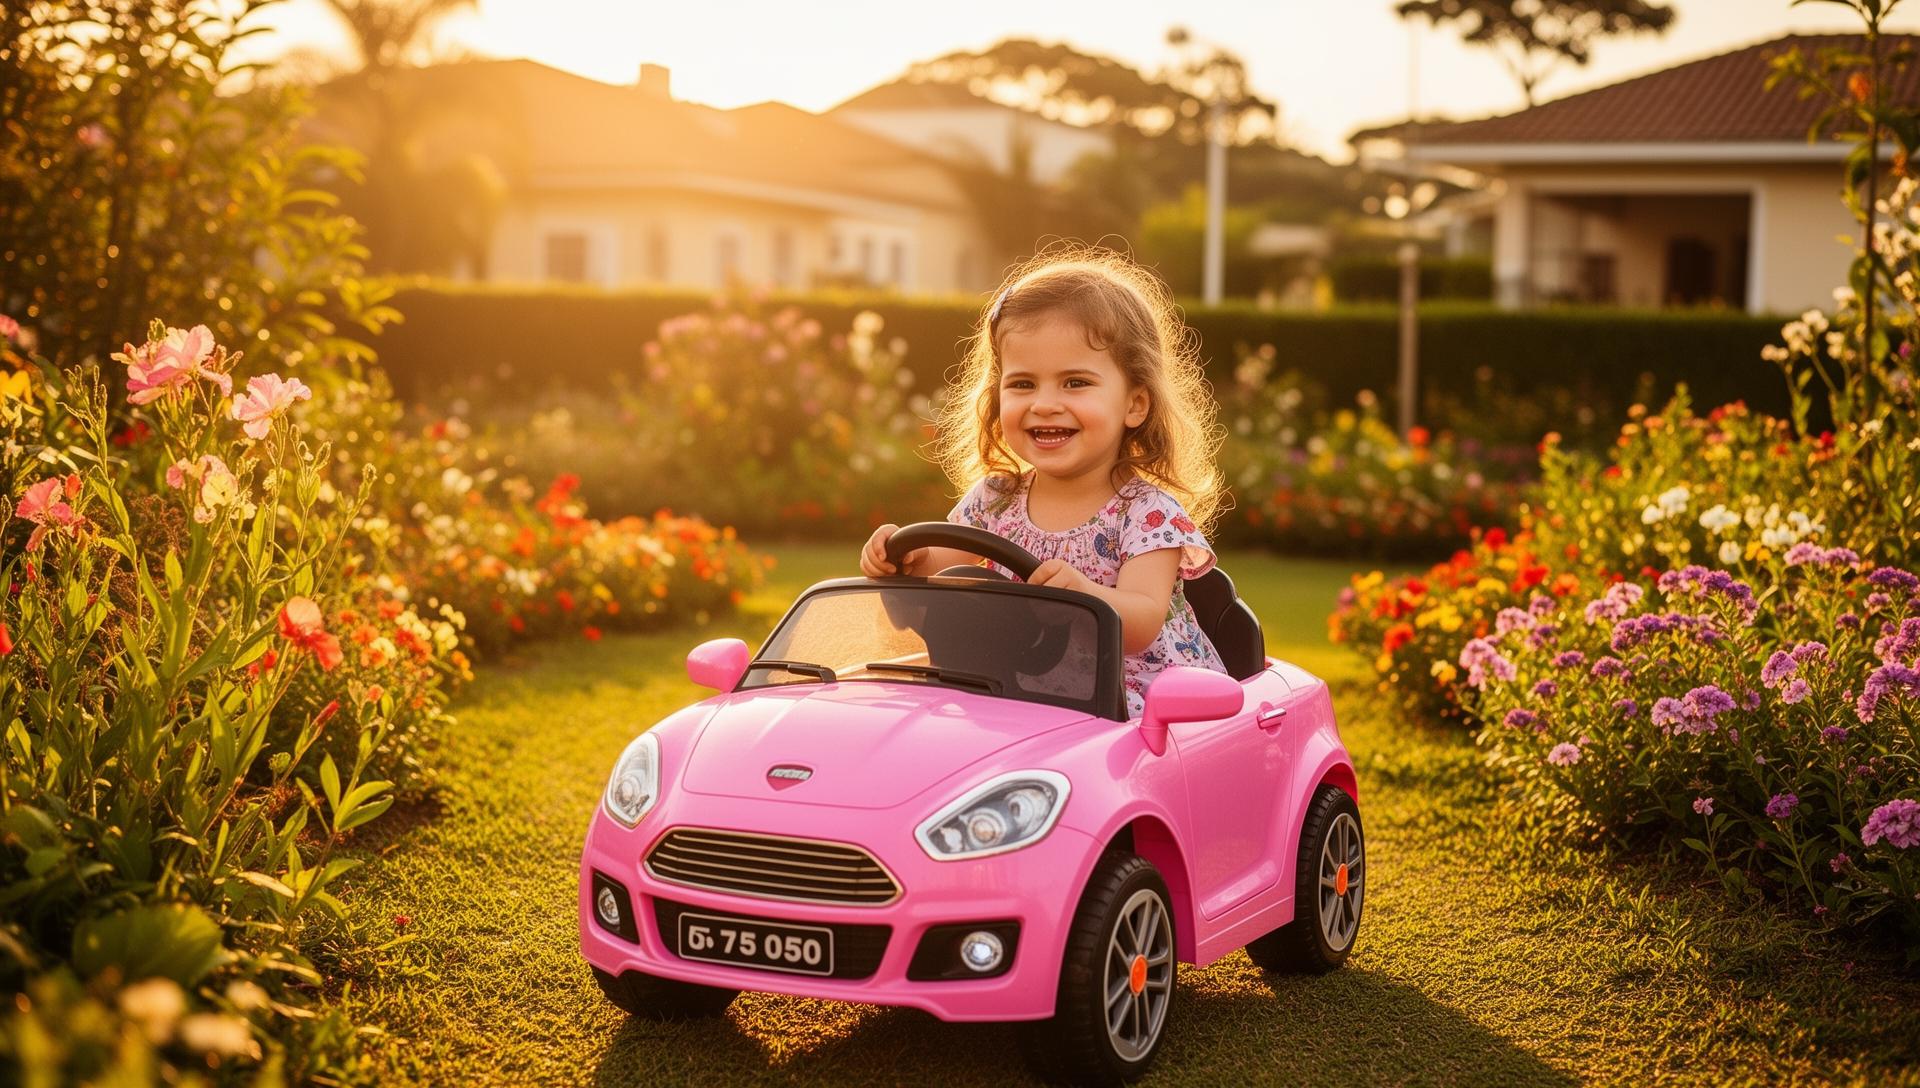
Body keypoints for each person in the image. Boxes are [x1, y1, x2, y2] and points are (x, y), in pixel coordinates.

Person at [859, 247, 1229, 717]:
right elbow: (938, 570)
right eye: (1023, 384)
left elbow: (1142, 621)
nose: (1045, 403)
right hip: (1015, 688)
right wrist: (900, 558)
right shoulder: (995, 500)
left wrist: (1087, 597)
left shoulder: (1146, 513)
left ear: (1135, 403)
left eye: (1074, 382)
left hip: (1128, 699)